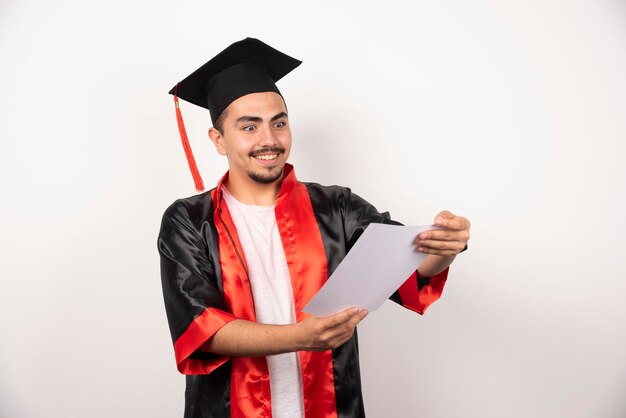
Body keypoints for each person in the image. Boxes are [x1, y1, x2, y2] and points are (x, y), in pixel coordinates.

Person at [158, 37, 470, 418]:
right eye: (249, 127)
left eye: (279, 123)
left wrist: (443, 247)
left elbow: (408, 270)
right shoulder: (188, 221)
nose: (269, 140)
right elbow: (203, 328)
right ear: (219, 140)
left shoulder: (335, 207)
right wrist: (300, 337)